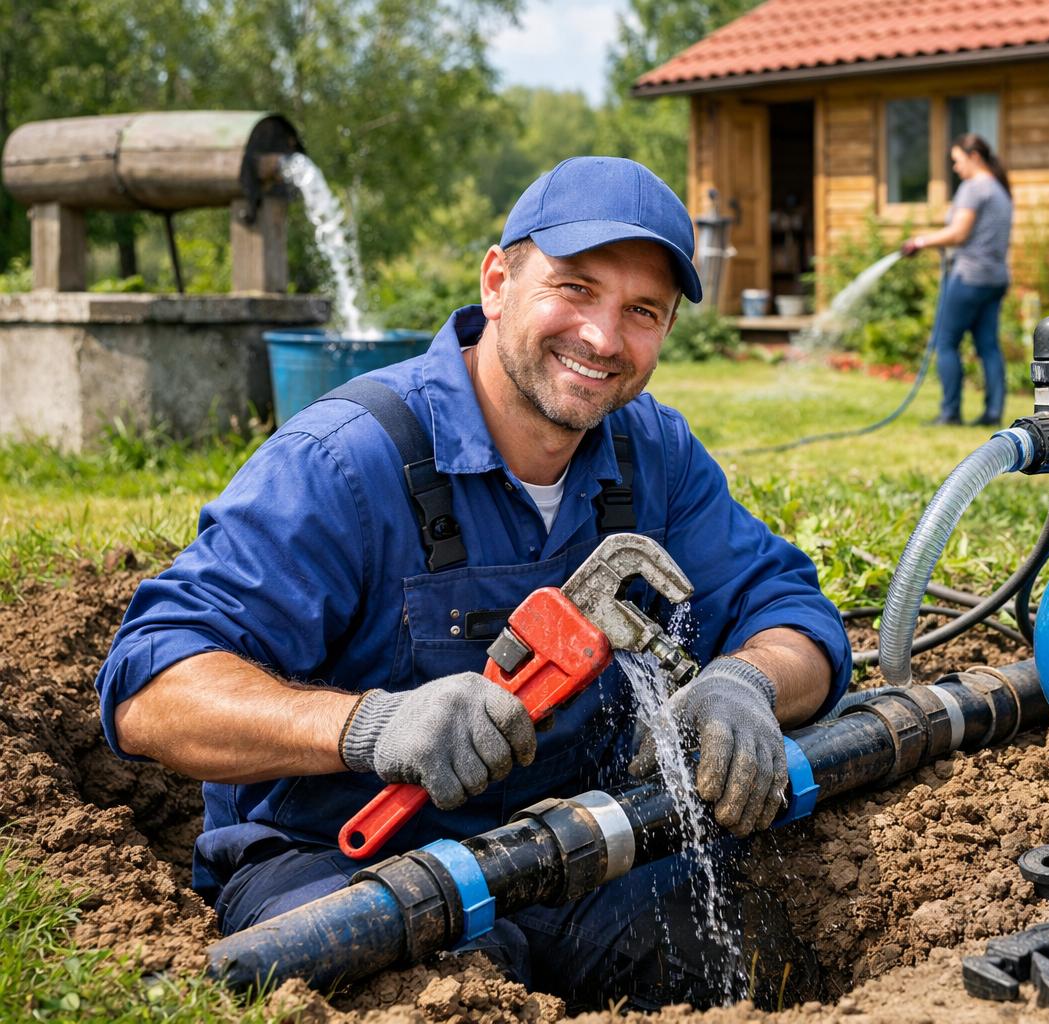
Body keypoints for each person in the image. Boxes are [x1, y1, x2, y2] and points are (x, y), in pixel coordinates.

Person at [94, 157, 850, 1010]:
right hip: (346, 868)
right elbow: (150, 690)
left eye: (642, 311)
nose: (603, 338)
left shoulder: (652, 455)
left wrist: (747, 680)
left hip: (575, 840)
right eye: (574, 288)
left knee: (744, 963)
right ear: (497, 281)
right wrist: (367, 726)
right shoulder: (345, 462)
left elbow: (794, 615)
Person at [901, 132, 1014, 426]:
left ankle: (950, 413)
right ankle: (993, 412)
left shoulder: (974, 188)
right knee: (988, 345)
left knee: (946, 342)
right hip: (995, 277)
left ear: (974, 157)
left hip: (970, 277)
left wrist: (920, 241)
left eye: (957, 161)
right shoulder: (1001, 191)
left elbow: (958, 234)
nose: (955, 168)